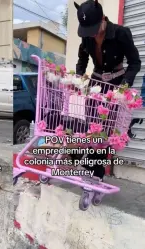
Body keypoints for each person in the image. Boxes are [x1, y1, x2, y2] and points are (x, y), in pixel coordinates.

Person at [74, 0, 141, 180]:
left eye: (94, 29)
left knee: (107, 131)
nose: (91, 34)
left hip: (115, 85)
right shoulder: (87, 35)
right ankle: (88, 165)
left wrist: (124, 87)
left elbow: (135, 63)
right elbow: (82, 59)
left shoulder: (121, 33)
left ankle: (97, 172)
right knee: (92, 126)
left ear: (103, 18)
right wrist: (79, 76)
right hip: (95, 84)